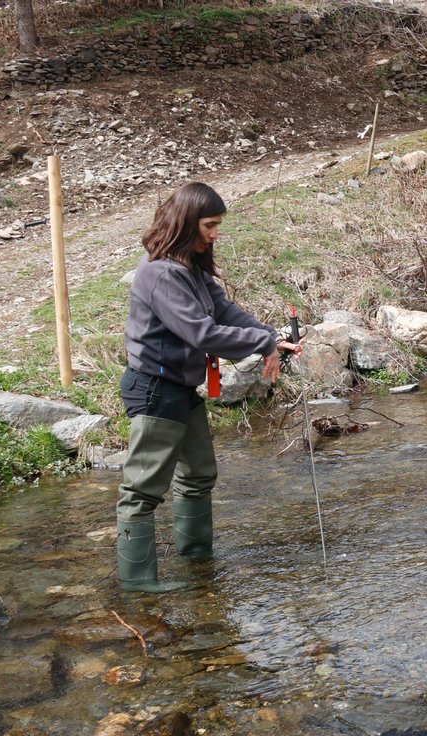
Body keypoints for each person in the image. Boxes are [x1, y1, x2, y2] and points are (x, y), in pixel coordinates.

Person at [115, 182, 301, 592]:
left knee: (199, 475)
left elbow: (223, 310)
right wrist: (262, 343)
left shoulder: (189, 266)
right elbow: (202, 333)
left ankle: (198, 561)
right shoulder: (160, 273)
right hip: (154, 389)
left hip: (181, 388)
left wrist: (269, 334)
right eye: (210, 225)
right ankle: (138, 587)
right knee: (141, 492)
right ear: (186, 223)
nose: (216, 233)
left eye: (218, 225)